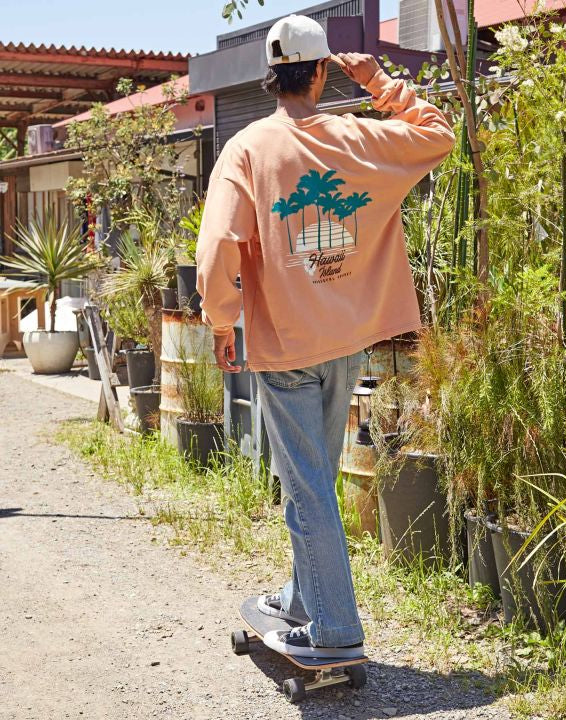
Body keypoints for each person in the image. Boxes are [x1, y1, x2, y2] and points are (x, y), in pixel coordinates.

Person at [196, 13, 455, 659]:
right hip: (348, 340)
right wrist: (379, 82)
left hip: (286, 345)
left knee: (306, 485)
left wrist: (221, 320)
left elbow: (219, 243)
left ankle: (336, 629)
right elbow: (437, 134)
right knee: (315, 480)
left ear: (270, 75)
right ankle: (303, 598)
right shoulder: (359, 136)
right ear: (319, 72)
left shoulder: (247, 148)